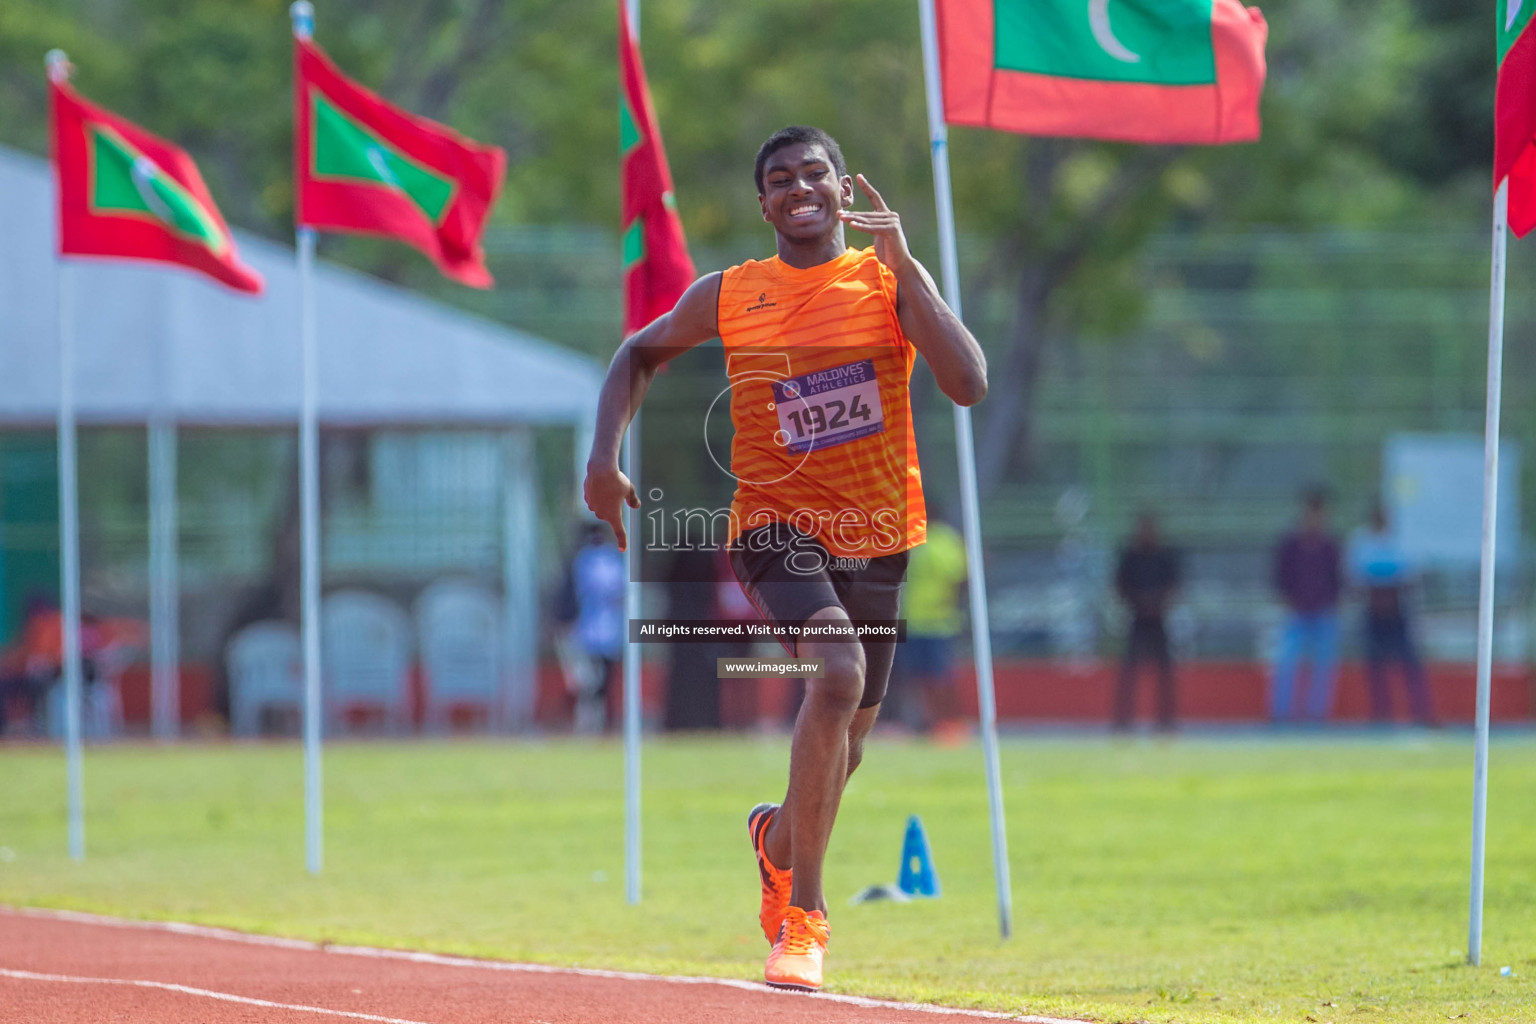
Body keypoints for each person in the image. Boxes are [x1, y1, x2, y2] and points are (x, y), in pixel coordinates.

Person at [583, 125, 986, 991]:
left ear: (845, 188)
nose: (799, 188)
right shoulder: (732, 292)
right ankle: (805, 920)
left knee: (852, 745)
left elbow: (969, 383)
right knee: (834, 678)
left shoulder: (888, 284)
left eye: (815, 174)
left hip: (880, 535)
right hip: (773, 527)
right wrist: (601, 458)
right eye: (780, 179)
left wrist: (907, 261)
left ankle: (773, 841)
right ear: (763, 202)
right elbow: (636, 353)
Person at [1348, 502, 1436, 726]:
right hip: (1373, 614)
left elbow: (1412, 578)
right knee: (1376, 667)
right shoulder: (1360, 542)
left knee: (1410, 666)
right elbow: (1354, 580)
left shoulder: (1401, 541)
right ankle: (1381, 714)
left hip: (1398, 613)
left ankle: (1421, 712)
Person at [1271, 487, 1343, 722]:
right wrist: (1287, 601)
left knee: (1323, 669)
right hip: (1296, 614)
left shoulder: (1330, 546)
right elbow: (1280, 577)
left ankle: (1317, 714)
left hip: (1323, 614)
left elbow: (1338, 579)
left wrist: (1332, 602)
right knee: (1286, 665)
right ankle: (1281, 714)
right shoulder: (1290, 545)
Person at [895, 515, 969, 741]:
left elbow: (962, 579)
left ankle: (950, 724)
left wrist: (952, 606)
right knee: (909, 676)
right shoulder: (905, 538)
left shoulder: (944, 539)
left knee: (939, 676)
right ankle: (920, 724)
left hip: (938, 623)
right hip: (909, 621)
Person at [1113, 512, 1180, 732]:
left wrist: (1157, 603)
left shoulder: (1164, 557)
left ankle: (1166, 721)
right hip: (1138, 619)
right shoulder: (1131, 557)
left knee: (1165, 673)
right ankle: (1123, 721)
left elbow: (1174, 587)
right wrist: (1138, 603)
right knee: (1129, 673)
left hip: (1159, 619)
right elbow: (1120, 586)